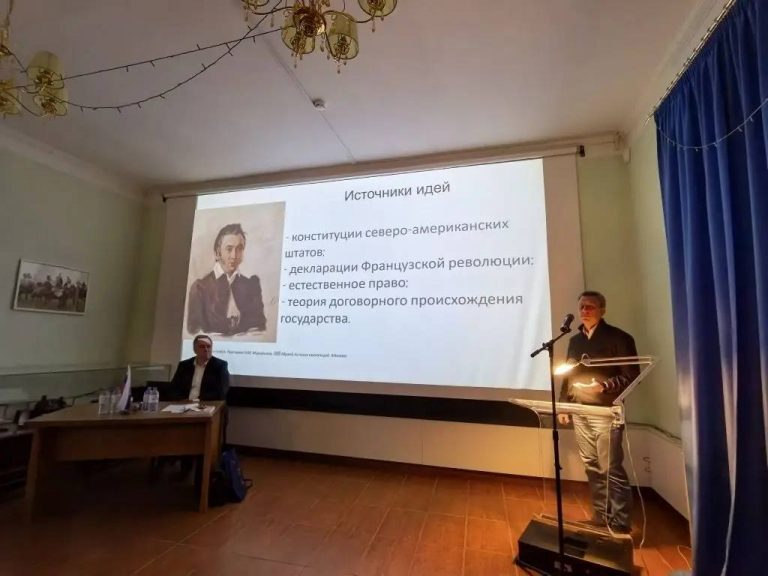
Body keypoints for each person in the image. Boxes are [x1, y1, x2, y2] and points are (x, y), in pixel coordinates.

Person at [558, 291, 639, 534]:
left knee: (610, 467)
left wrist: (603, 386)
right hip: (580, 409)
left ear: (602, 310)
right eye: (582, 307)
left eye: (590, 307)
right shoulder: (575, 340)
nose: (585, 311)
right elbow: (568, 375)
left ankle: (620, 523)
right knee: (591, 465)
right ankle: (601, 516)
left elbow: (632, 376)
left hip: (605, 411)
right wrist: (564, 404)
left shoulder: (620, 338)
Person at [187, 223, 267, 336]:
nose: (234, 256)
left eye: (239, 249)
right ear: (217, 253)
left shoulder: (251, 286)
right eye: (229, 249)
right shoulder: (200, 288)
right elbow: (194, 333)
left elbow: (259, 328)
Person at [169, 334, 230, 402]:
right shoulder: (184, 365)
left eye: (208, 346)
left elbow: (221, 392)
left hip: (207, 404)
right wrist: (181, 400)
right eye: (202, 346)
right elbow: (173, 388)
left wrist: (197, 400)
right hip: (184, 403)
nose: (206, 349)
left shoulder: (220, 365)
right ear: (195, 349)